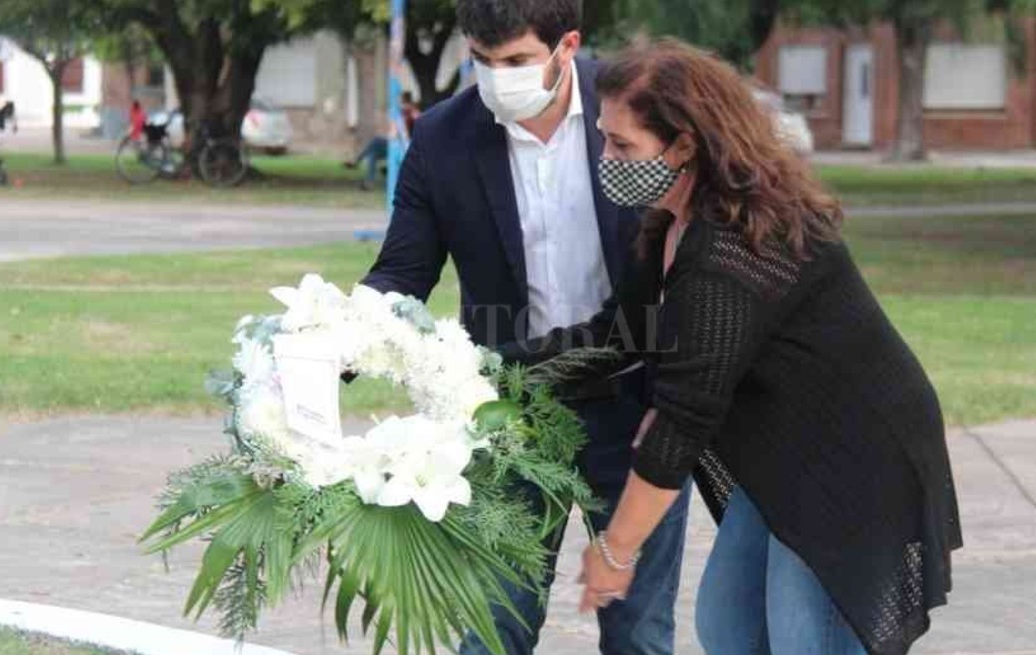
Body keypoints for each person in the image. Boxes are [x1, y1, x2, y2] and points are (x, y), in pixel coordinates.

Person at [500, 39, 963, 655]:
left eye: (621, 144)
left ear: (685, 143)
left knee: (806, 639)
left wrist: (615, 550)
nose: (604, 156)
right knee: (731, 626)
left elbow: (682, 422)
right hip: (781, 453)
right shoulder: (671, 219)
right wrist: (490, 370)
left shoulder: (732, 251)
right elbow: (618, 336)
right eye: (604, 138)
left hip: (852, 459)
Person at [360, 2, 690, 654]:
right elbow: (401, 270)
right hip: (506, 411)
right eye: (480, 60)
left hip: (635, 412)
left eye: (514, 61)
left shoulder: (634, 110)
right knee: (493, 626)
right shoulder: (442, 138)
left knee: (638, 633)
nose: (494, 77)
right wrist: (333, 337)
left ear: (567, 45)